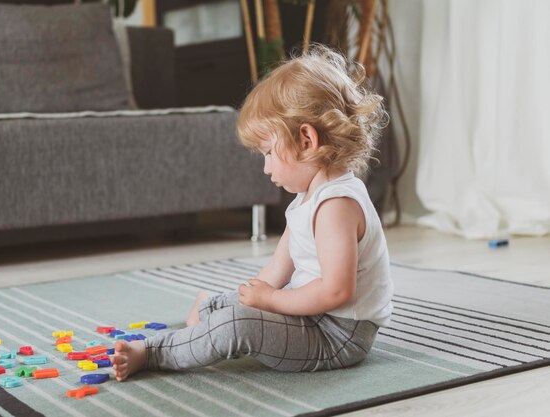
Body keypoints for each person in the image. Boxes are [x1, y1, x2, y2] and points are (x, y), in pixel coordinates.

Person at [112, 45, 394, 380]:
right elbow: (278, 267)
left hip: (337, 336)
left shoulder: (336, 205)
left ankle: (156, 351)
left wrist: (269, 302)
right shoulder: (310, 196)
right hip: (314, 317)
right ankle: (208, 312)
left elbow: (336, 292)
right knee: (240, 301)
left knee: (238, 324)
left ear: (306, 140)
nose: (265, 167)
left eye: (269, 152)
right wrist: (252, 297)